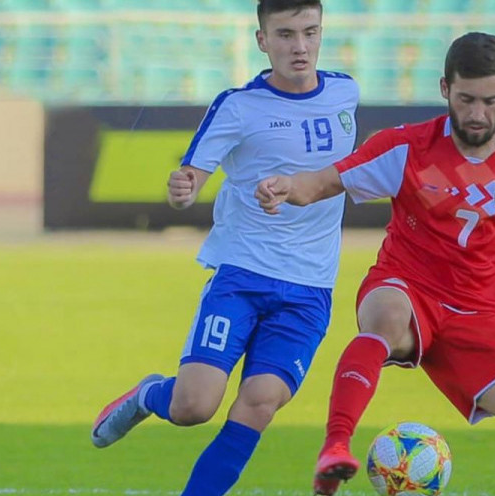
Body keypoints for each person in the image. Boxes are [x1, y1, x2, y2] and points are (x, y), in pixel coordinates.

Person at [256, 32, 495, 496]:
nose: (477, 114)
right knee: (386, 319)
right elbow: (322, 182)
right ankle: (335, 448)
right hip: (407, 286)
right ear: (444, 89)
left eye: (490, 101)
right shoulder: (405, 148)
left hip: (478, 316)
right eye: (466, 99)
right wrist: (285, 187)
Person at [90, 1, 359, 494]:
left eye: (309, 32)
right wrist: (184, 188)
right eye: (284, 35)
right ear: (262, 41)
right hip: (242, 274)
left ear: (321, 32)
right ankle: (150, 395)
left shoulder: (345, 91)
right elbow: (193, 174)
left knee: (259, 402)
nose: (299, 46)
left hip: (309, 288)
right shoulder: (238, 106)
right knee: (194, 406)